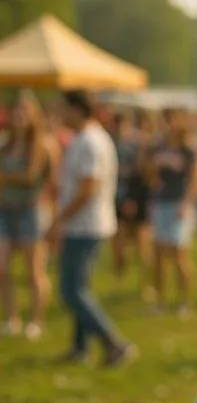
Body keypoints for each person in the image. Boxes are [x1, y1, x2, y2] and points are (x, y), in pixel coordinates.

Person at [49, 90, 134, 365]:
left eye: (64, 108)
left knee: (71, 290)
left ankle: (114, 343)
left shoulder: (90, 141)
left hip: (85, 225)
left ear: (77, 109)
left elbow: (88, 187)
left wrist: (60, 218)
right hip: (85, 223)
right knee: (80, 288)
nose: (60, 114)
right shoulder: (85, 138)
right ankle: (80, 349)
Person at [0, 91, 53, 339]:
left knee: (33, 271)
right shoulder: (5, 144)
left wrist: (5, 178)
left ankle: (37, 320)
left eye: (25, 111)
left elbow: (31, 176)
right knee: (2, 268)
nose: (19, 116)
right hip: (5, 210)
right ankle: (12, 318)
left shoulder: (41, 145)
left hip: (29, 212)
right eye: (16, 111)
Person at [146, 109, 197, 315]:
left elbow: (196, 179)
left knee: (180, 254)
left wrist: (187, 203)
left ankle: (184, 301)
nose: (167, 124)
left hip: (180, 204)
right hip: (160, 203)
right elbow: (149, 173)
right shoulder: (157, 147)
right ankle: (160, 302)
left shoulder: (189, 149)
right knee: (159, 254)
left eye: (170, 120)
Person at [110, 110, 153, 296]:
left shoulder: (138, 145)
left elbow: (143, 174)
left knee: (142, 244)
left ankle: (146, 284)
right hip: (116, 198)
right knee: (118, 242)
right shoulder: (111, 143)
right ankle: (121, 272)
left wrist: (133, 198)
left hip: (137, 198)